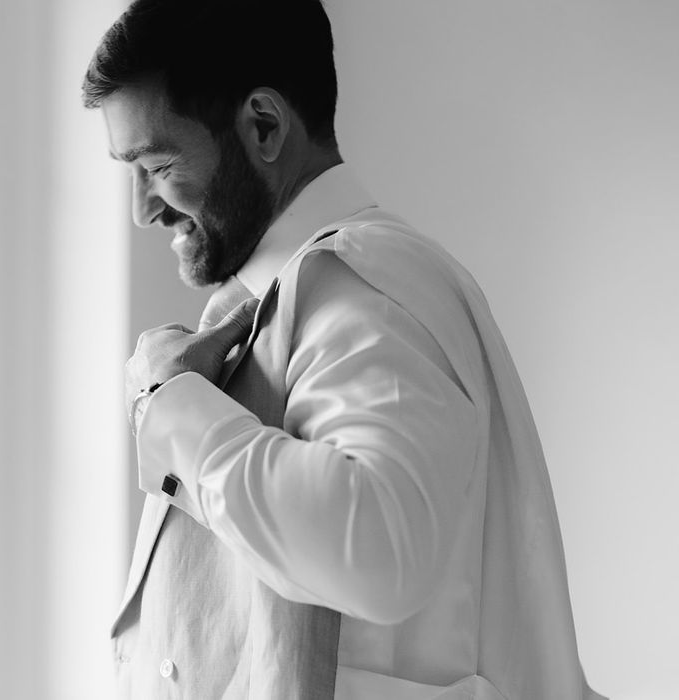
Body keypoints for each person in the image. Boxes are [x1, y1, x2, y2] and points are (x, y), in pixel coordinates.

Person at [83, 1, 606, 698]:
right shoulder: (276, 300)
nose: (142, 208)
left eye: (156, 163)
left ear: (264, 127)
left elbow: (377, 552)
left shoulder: (364, 294)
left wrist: (173, 407)